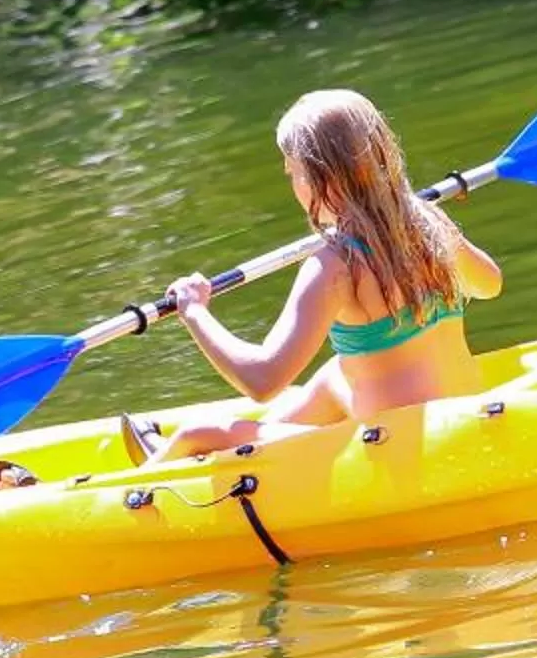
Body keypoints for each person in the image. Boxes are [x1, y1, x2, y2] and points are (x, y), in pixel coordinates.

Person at [126, 88, 504, 463]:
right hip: (462, 415)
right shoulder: (430, 222)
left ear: (319, 178)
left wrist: (194, 310)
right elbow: (489, 285)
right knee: (335, 374)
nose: (293, 183)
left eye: (293, 173)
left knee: (199, 433)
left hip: (396, 447)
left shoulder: (334, 266)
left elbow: (262, 380)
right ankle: (260, 446)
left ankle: (158, 470)